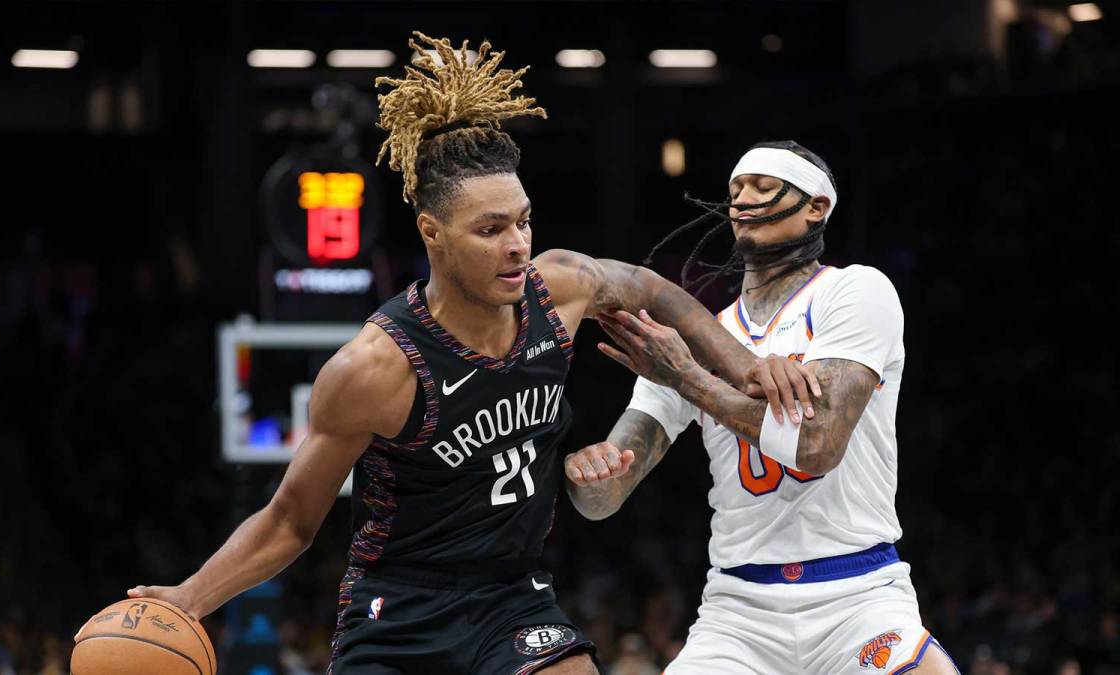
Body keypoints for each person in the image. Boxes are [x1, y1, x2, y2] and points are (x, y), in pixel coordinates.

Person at [107, 35, 817, 675]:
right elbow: (292, 518)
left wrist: (746, 365)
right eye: (490, 228)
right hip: (399, 613)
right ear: (432, 233)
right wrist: (190, 596)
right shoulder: (375, 369)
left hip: (512, 597)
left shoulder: (558, 292)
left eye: (523, 220)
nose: (517, 243)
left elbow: (653, 288)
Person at [564, 141, 962, 673]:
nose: (743, 199)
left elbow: (816, 445)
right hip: (738, 611)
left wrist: (685, 378)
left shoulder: (856, 292)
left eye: (763, 186)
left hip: (857, 597)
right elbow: (602, 502)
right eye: (734, 191)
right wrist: (587, 475)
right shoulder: (693, 339)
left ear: (817, 206)